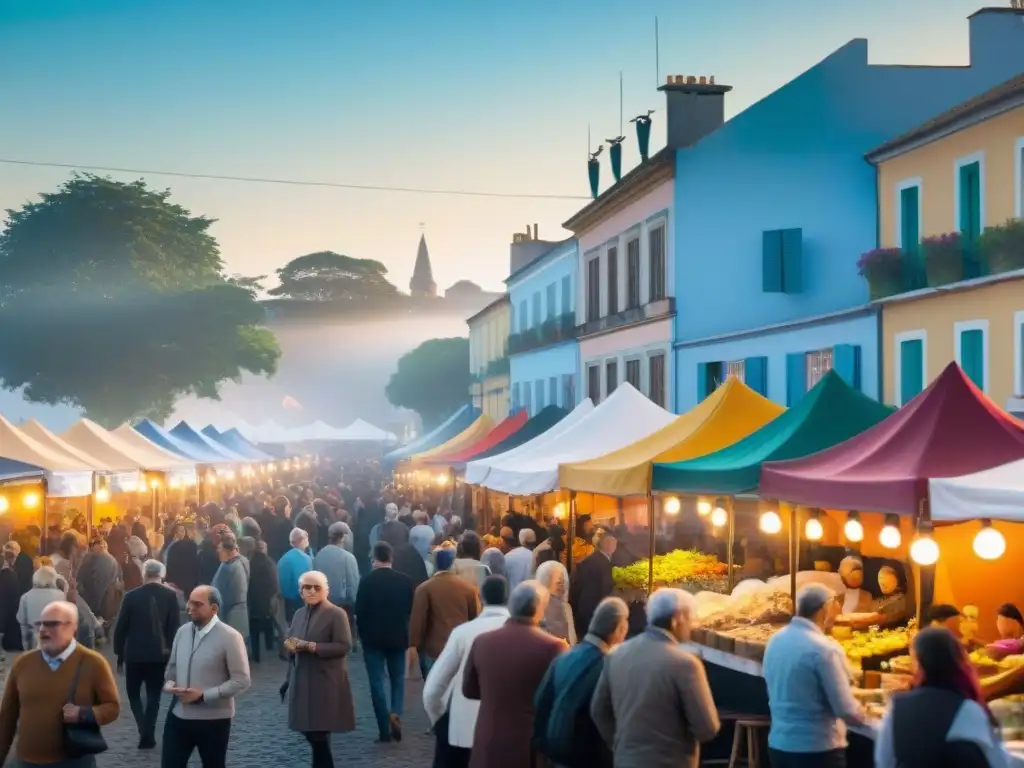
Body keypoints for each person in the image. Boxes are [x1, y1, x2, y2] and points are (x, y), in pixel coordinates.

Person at [591, 588, 720, 768]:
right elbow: (707, 728)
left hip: (626, 760)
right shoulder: (685, 664)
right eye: (690, 618)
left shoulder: (616, 655)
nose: (691, 625)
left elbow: (598, 710)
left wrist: (620, 744)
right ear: (677, 619)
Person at [0, 600, 120, 768]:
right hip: (25, 762)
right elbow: (7, 716)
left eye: (52, 624)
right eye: (40, 624)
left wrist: (83, 713)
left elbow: (112, 707)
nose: (43, 630)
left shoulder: (93, 663)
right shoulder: (23, 663)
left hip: (74, 761)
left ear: (72, 626)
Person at [462, 581, 567, 768]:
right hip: (527, 745)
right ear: (539, 609)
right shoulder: (554, 647)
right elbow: (561, 699)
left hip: (488, 741)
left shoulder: (482, 641)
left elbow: (469, 690)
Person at [763, 583, 867, 767]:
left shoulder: (775, 641)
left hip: (778, 746)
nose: (837, 613)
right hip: (816, 750)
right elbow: (845, 709)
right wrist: (866, 715)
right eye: (835, 606)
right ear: (824, 609)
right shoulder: (824, 649)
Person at [875, 626, 1009, 767]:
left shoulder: (897, 708)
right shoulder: (969, 709)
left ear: (918, 663)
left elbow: (883, 762)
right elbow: (998, 762)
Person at [423, 575, 511, 768]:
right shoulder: (529, 635)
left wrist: (440, 721)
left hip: (464, 730)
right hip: (511, 735)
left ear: (480, 597)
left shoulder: (462, 632)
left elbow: (433, 689)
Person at [534, 596, 630, 768]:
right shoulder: (607, 666)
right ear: (618, 629)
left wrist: (546, 747)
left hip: (558, 754)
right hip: (588, 757)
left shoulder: (564, 658)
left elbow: (541, 702)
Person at [162, 585, 252, 768]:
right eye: (189, 602)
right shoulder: (182, 632)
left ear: (214, 608)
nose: (190, 608)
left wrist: (203, 695)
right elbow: (171, 669)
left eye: (197, 604)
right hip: (179, 716)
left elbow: (242, 680)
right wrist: (169, 684)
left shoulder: (230, 637)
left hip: (213, 720)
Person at [284, 570, 356, 768]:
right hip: (302, 679)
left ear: (326, 590)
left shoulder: (336, 613)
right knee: (309, 731)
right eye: (307, 587)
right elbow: (291, 638)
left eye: (317, 587)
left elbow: (344, 645)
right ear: (301, 592)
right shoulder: (299, 614)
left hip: (326, 682)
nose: (312, 591)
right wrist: (290, 646)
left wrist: (311, 646)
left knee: (319, 735)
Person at [112, 558, 180, 749]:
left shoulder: (131, 596)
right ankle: (147, 731)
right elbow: (174, 628)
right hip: (159, 654)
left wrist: (119, 652)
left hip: (134, 654)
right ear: (162, 574)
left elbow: (121, 628)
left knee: (133, 694)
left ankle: (143, 728)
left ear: (144, 574)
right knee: (153, 695)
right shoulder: (170, 596)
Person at [355, 541, 415, 743]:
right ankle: (396, 711)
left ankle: (383, 729)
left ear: (374, 559)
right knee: (398, 679)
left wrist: (361, 635)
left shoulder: (366, 581)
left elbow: (359, 612)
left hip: (372, 639)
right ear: (391, 558)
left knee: (376, 682)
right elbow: (410, 611)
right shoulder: (406, 581)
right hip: (398, 637)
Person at [410, 548, 479, 680]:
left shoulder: (424, 588)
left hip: (433, 649)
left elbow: (418, 620)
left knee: (432, 687)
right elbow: (474, 618)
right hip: (459, 648)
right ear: (452, 564)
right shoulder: (469, 588)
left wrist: (413, 644)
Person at [569, 533, 616, 638]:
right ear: (607, 545)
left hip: (583, 610)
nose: (615, 547)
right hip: (594, 611)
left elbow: (576, 585)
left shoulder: (589, 559)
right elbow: (606, 589)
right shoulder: (604, 563)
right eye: (613, 544)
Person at [313, 522, 360, 626]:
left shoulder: (319, 555)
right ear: (343, 537)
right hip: (343, 609)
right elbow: (353, 587)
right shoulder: (348, 557)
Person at [211, 534, 250, 646]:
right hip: (239, 609)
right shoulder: (242, 561)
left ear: (228, 550)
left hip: (230, 612)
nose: (218, 553)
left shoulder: (230, 567)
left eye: (220, 550)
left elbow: (222, 592)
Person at [247, 539, 282, 663]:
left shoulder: (249, 563)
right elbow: (275, 584)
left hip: (253, 602)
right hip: (266, 602)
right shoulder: (269, 562)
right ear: (265, 549)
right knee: (269, 626)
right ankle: (269, 649)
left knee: (254, 630)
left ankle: (256, 655)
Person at [17, 565, 67, 650]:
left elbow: (22, 623)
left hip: (36, 641)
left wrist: (26, 647)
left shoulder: (25, 597)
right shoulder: (61, 595)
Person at [536, 560, 577, 645]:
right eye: (559, 583)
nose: (563, 588)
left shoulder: (535, 605)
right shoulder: (563, 607)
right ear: (546, 583)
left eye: (564, 583)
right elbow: (571, 641)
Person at [278, 528, 314, 622]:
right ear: (301, 540)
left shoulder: (283, 559)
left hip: (287, 602)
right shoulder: (305, 558)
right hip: (301, 600)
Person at [504, 528, 536, 593]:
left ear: (520, 540)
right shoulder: (537, 557)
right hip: (533, 597)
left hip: (512, 597)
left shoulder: (508, 556)